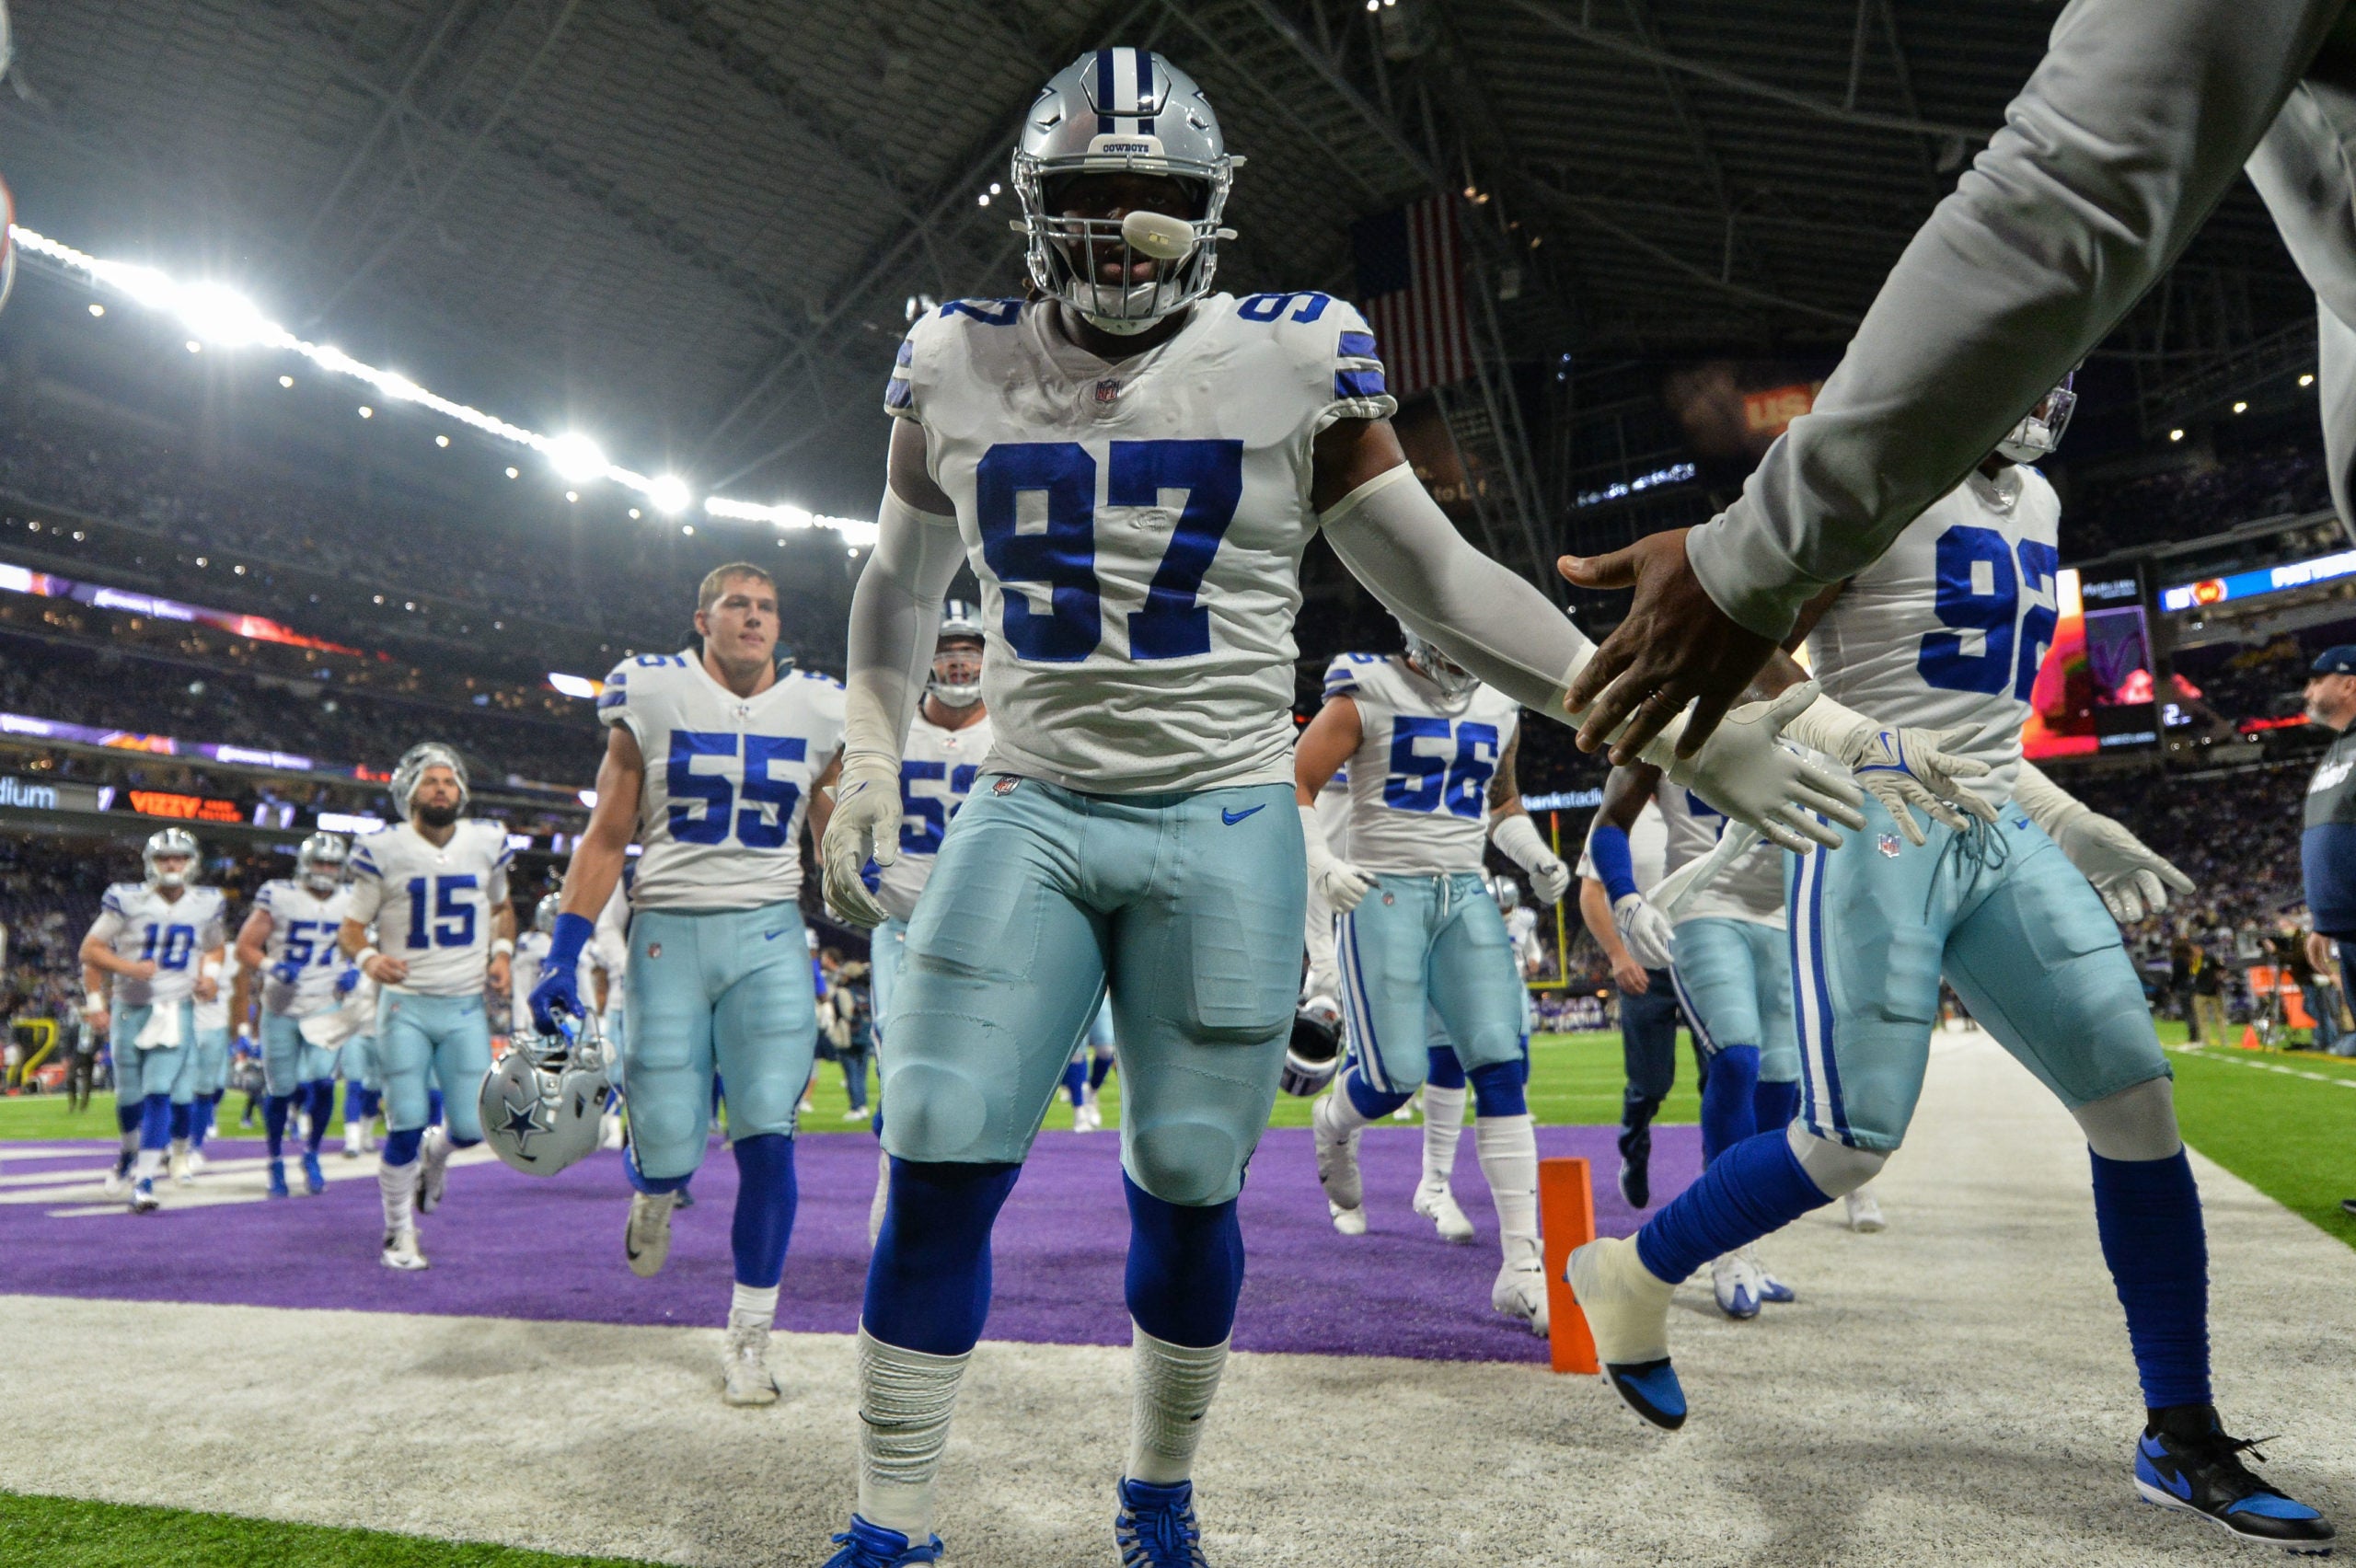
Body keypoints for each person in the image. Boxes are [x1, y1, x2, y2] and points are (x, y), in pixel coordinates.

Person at [814, 48, 1860, 1568]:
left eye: (1152, 200)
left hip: (1224, 815)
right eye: (1088, 198)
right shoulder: (952, 361)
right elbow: (898, 586)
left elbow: (1439, 579)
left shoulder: (1294, 355)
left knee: (1184, 1177)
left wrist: (1644, 704)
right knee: (936, 1135)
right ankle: (892, 1512)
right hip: (1029, 804)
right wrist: (864, 731)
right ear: (1033, 209)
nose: (1118, 232)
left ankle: (1158, 1487)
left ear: (1213, 210)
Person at [1567, 420, 2334, 1551]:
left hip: (1992, 817)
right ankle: (1633, 1270)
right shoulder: (1882, 461)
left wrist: (2070, 817)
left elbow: (1983, 731)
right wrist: (1848, 732)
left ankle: (2180, 1428)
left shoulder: (2038, 501)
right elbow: (1733, 629)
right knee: (1848, 1140)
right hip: (1871, 813)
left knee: (2137, 1104)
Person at [1555, 4, 2353, 775]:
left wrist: (1749, 558)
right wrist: (1848, 731)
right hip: (1876, 790)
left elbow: (2069, 199)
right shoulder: (1923, 495)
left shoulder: (2033, 501)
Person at [530, 562, 843, 1409]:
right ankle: (656, 1188)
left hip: (772, 933)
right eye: (737, 604)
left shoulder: (821, 706)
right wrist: (563, 952)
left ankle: (748, 1337)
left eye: (768, 607)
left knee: (767, 1132)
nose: (754, 618)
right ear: (701, 617)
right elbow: (607, 833)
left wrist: (890, 911)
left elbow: (838, 832)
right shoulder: (652, 691)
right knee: (668, 1142)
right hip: (667, 930)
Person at [1295, 632, 1569, 1332]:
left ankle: (1522, 1267)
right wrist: (1322, 861)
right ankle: (1333, 1123)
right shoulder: (1366, 690)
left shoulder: (1500, 702)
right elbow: (1296, 782)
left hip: (1465, 892)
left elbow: (1501, 805)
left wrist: (1535, 855)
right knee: (1393, 1078)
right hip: (1383, 892)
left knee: (1503, 1068)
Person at [1588, 759, 1803, 1317]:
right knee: (1736, 1060)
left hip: (1783, 917)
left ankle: (1748, 1243)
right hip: (1702, 908)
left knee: (1782, 1087)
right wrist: (1625, 896)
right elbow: (1612, 818)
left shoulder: (1806, 713)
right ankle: (1727, 1248)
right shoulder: (1674, 705)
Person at [341, 744, 515, 1271]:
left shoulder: (487, 841)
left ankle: (435, 1158)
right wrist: (369, 957)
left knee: (469, 1127)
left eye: (449, 781)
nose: (442, 788)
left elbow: (503, 907)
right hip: (406, 1006)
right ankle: (398, 1234)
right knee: (405, 1121)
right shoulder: (384, 848)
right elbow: (351, 927)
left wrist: (502, 952)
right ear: (409, 794)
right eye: (431, 781)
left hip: (464, 1004)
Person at [77, 829, 228, 1214]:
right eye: (165, 858)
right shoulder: (127, 899)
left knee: (159, 1091)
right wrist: (130, 968)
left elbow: (214, 947)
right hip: (130, 1008)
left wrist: (210, 976)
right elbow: (90, 950)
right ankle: (128, 1153)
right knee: (129, 1099)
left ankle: (144, 1180)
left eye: (179, 857)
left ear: (191, 862)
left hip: (175, 1008)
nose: (172, 864)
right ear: (151, 863)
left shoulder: (207, 902)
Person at [234, 833, 354, 1198]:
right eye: (319, 862)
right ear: (305, 864)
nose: (325, 870)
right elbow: (244, 947)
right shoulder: (279, 894)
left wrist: (357, 968)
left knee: (322, 1081)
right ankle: (274, 1160)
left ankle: (312, 1152)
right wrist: (272, 965)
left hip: (326, 1003)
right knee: (281, 1090)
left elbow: (365, 944)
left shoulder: (351, 899)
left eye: (332, 864)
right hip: (282, 1005)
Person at [1576, 796, 1679, 1210]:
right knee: (1649, 1082)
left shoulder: (1701, 801)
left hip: (1704, 954)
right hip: (1645, 964)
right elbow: (1591, 891)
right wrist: (1619, 955)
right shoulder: (1621, 811)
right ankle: (1633, 1154)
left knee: (1726, 1066)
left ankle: (1721, 1171)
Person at [187, 948, 236, 1174]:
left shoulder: (231, 954)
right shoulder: (182, 949)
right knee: (179, 1092)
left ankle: (195, 1145)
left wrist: (241, 1029)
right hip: (185, 1027)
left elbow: (240, 992)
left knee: (213, 1088)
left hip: (217, 1027)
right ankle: (180, 1145)